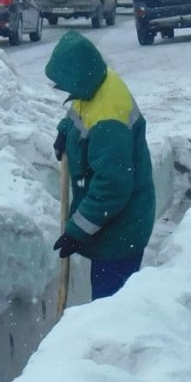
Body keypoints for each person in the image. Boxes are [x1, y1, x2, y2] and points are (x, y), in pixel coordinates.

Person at [45, 31, 156, 301]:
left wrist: (77, 231)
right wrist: (65, 130)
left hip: (122, 230)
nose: (65, 91)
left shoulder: (109, 121)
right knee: (105, 303)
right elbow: (80, 110)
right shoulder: (98, 82)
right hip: (114, 225)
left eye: (66, 84)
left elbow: (112, 188)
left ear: (79, 77)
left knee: (109, 307)